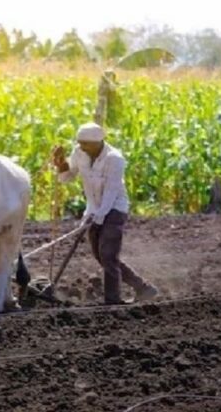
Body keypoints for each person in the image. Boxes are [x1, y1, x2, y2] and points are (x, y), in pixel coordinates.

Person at [52, 122, 158, 305]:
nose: (81, 147)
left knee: (108, 255)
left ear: (98, 142)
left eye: (85, 144)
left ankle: (112, 299)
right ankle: (143, 288)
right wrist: (61, 164)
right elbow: (67, 178)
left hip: (115, 209)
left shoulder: (114, 158)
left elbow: (111, 191)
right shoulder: (79, 152)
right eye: (80, 143)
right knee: (102, 257)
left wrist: (98, 218)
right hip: (94, 209)